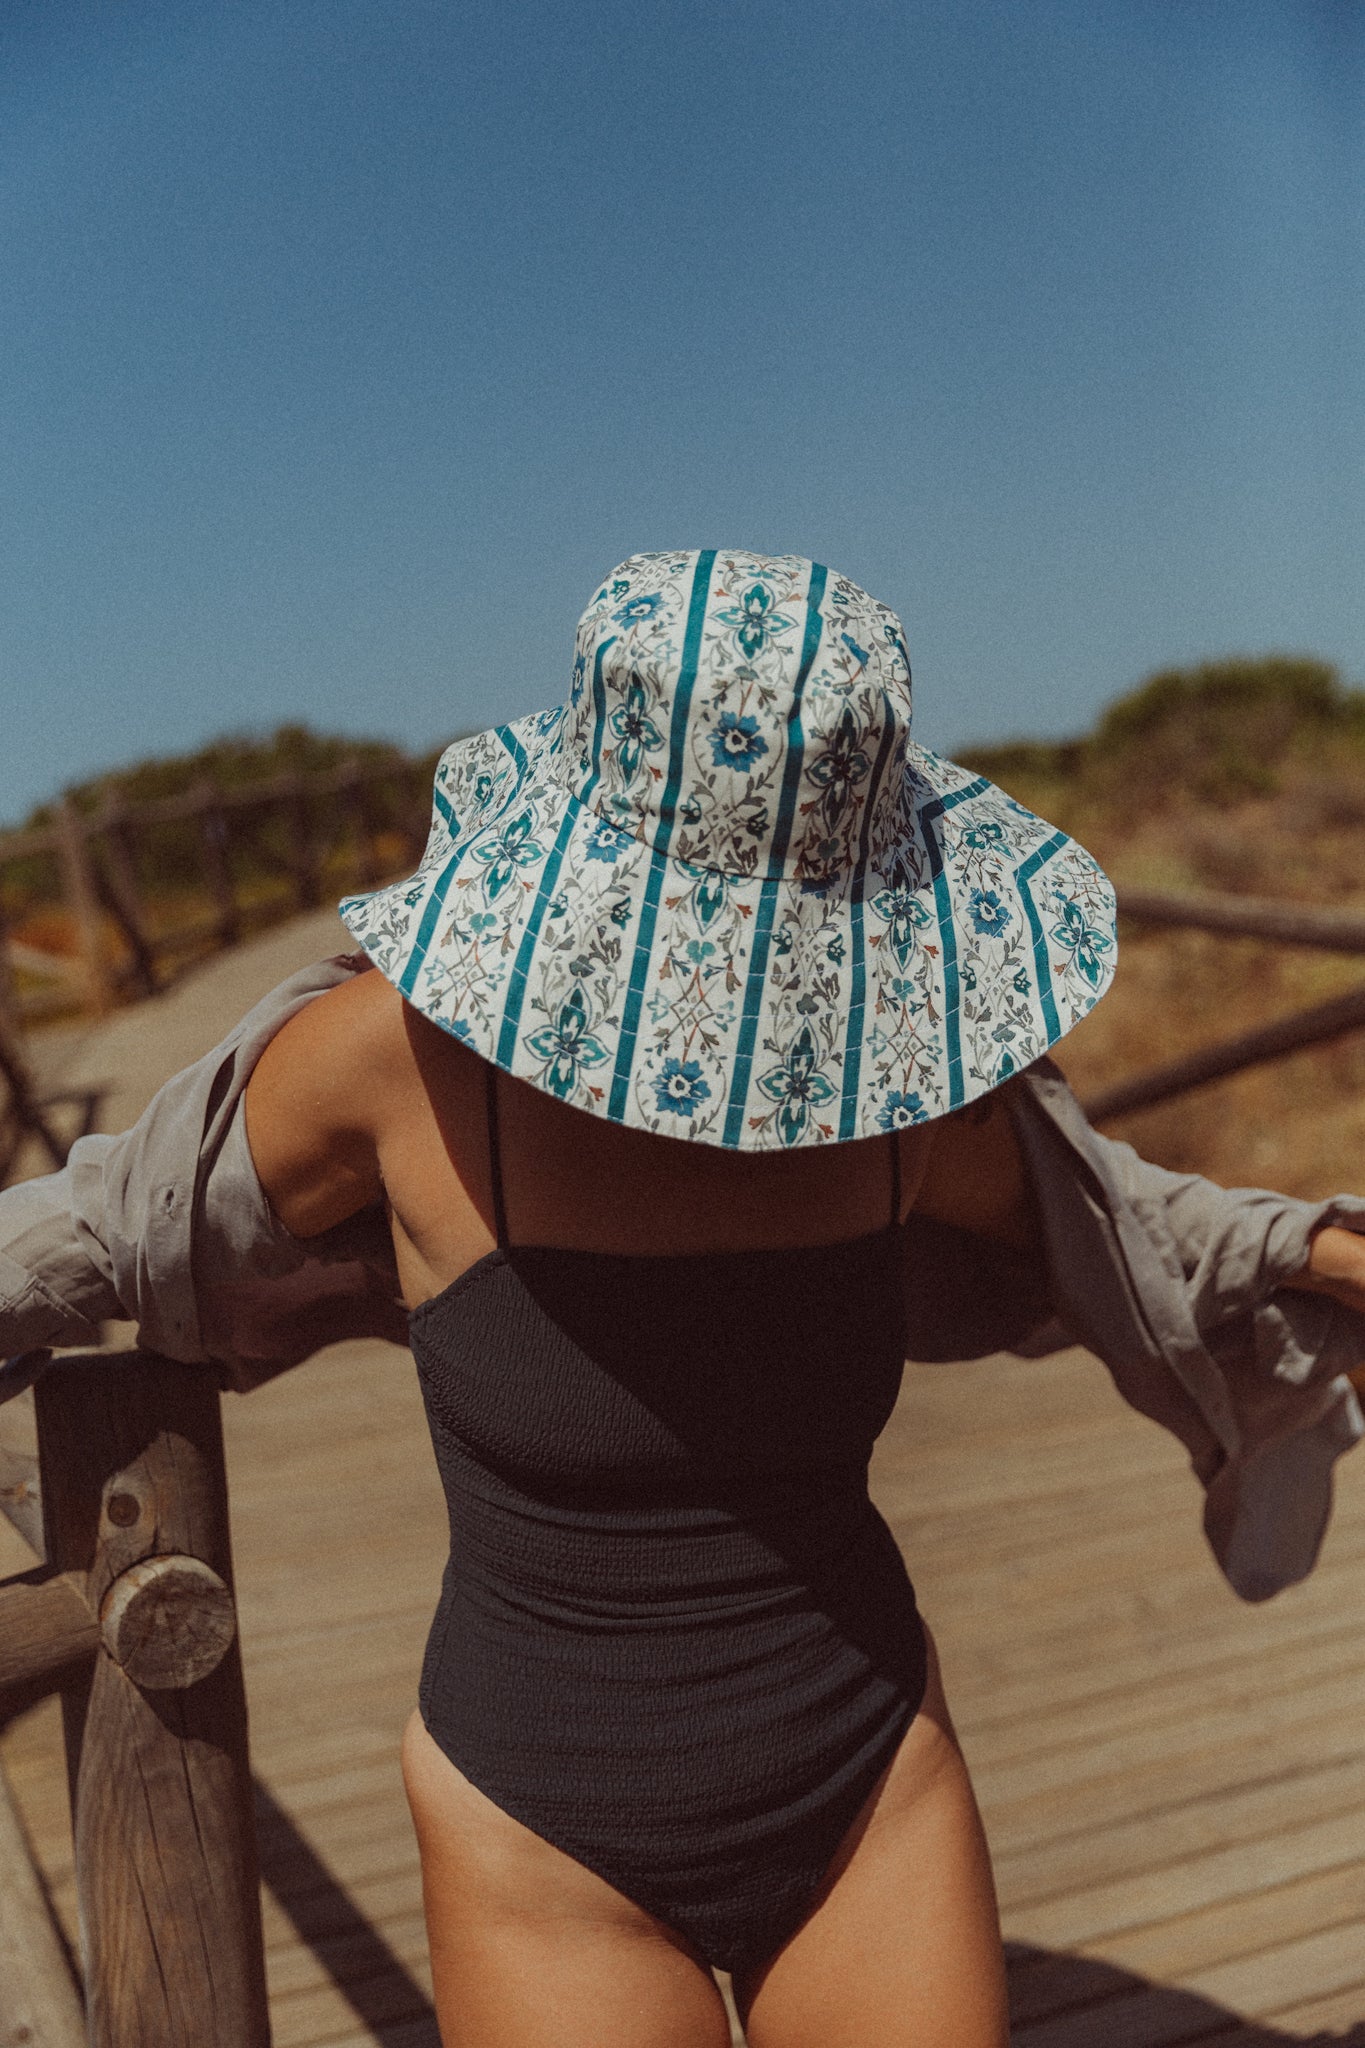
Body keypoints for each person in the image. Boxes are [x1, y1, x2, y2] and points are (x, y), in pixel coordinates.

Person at [6, 548, 1365, 2047]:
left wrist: (1308, 1247)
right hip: (543, 1833)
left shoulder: (893, 1077)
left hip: (872, 1783)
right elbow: (106, 1227)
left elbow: (1102, 1212)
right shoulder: (397, 1060)